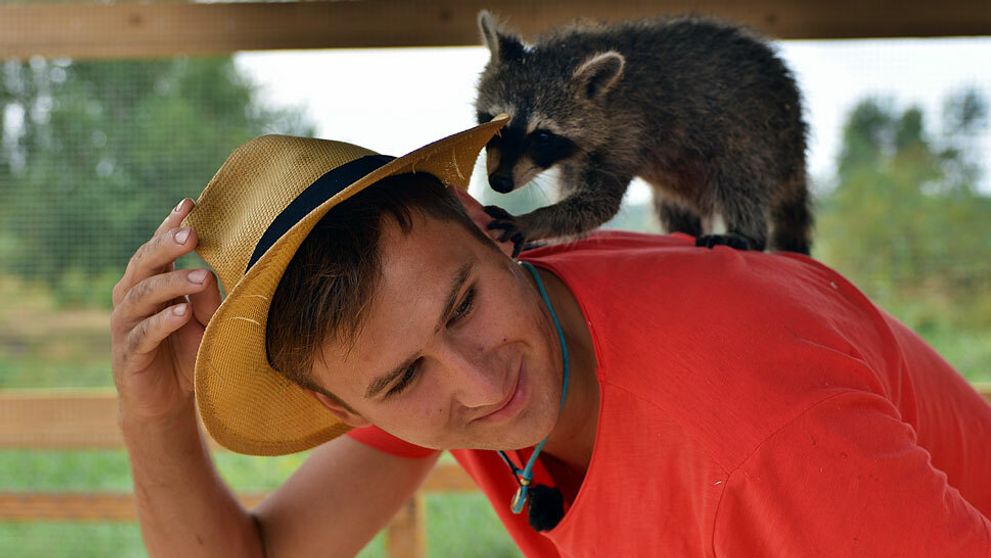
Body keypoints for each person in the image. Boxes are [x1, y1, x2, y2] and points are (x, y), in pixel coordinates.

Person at [110, 117, 991, 558]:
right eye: (401, 379)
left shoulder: (757, 428)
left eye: (460, 308)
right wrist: (152, 415)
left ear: (481, 220)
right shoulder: (484, 325)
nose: (479, 380)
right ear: (336, 406)